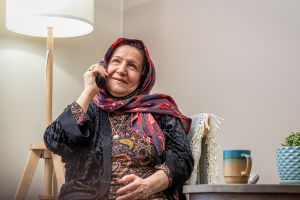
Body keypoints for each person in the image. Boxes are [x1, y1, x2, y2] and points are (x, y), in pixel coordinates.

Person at [44, 38, 194, 200]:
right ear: (104, 67)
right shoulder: (90, 109)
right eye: (116, 61)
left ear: (143, 77)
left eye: (132, 66)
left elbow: (183, 159)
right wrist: (88, 91)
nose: (121, 70)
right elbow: (55, 141)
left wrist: (148, 185)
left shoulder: (160, 111)